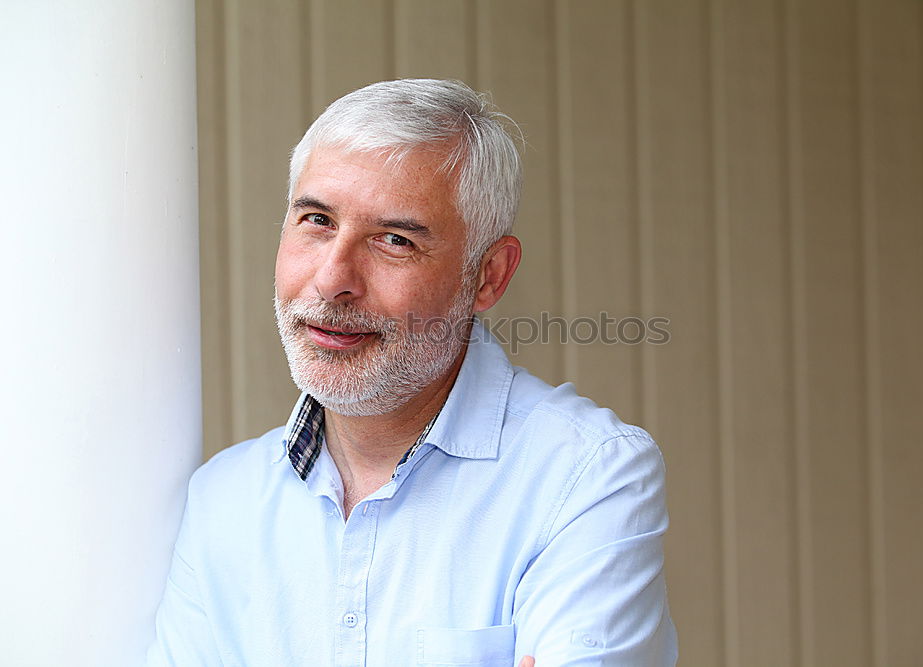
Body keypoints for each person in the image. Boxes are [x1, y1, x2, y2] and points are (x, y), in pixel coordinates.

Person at [147, 78, 678, 666]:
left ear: (488, 276)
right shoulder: (224, 499)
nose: (331, 279)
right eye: (317, 220)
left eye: (393, 239)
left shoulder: (587, 478)